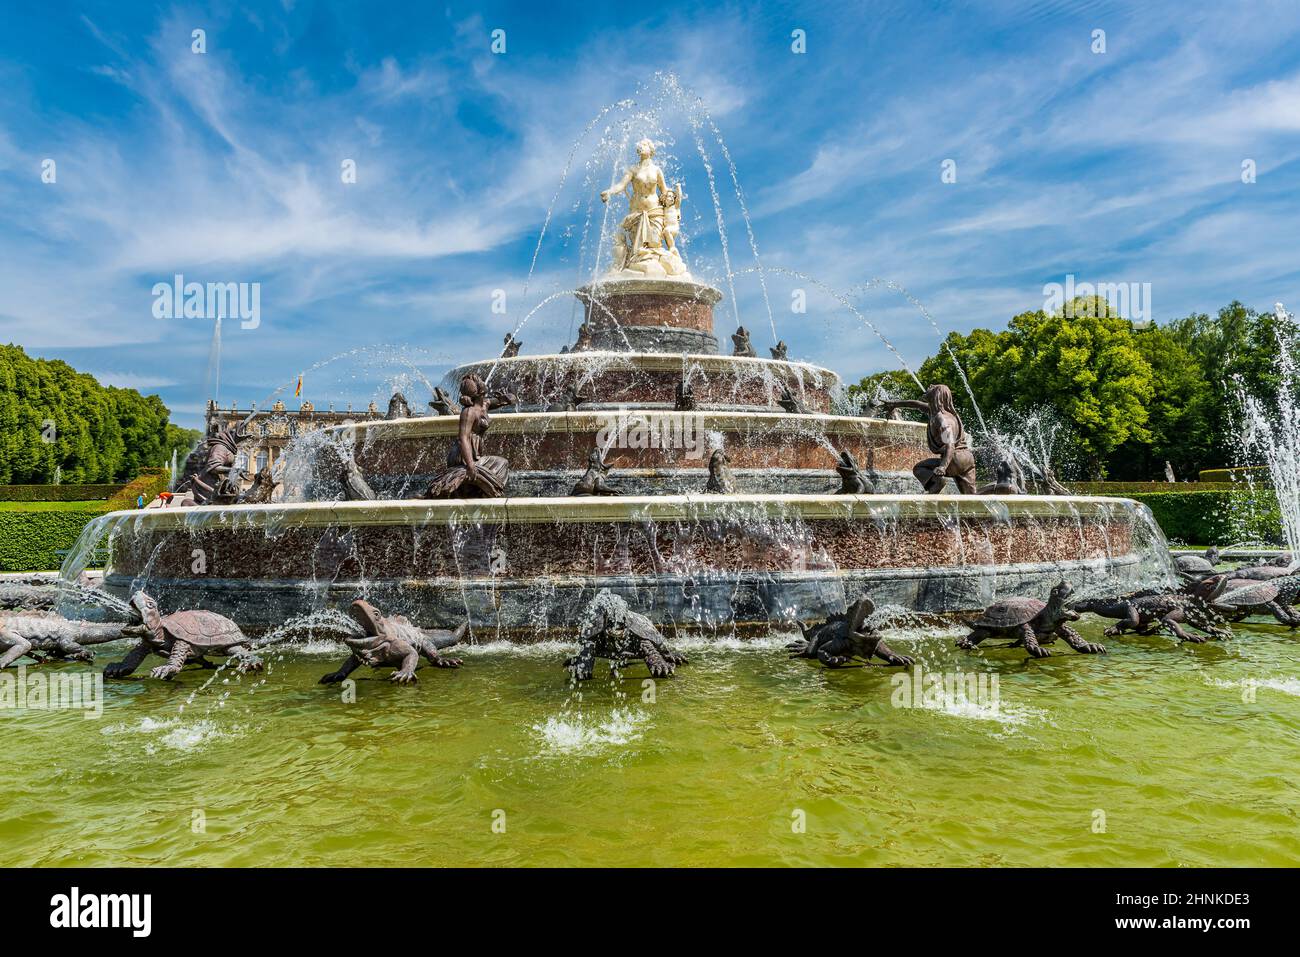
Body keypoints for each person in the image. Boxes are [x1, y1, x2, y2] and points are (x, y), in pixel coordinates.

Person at [425, 375, 513, 498]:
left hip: (475, 453)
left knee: (502, 463)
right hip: (463, 455)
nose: (483, 382)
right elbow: (463, 439)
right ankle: (478, 489)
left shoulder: (485, 404)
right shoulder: (468, 412)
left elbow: (511, 400)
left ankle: (480, 491)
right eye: (480, 382)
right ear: (479, 390)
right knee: (498, 464)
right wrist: (470, 464)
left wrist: (507, 397)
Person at [881, 384, 977, 494]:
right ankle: (997, 489)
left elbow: (950, 445)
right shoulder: (939, 412)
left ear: (937, 394)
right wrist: (894, 404)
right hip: (967, 459)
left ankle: (937, 484)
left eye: (933, 387)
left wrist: (942, 467)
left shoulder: (941, 419)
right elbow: (915, 404)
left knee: (919, 468)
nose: (930, 385)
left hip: (954, 459)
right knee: (972, 497)